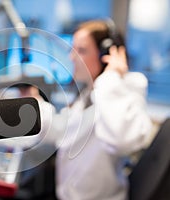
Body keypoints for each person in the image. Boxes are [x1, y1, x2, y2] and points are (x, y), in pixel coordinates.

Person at [55, 20, 153, 200]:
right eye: (72, 48)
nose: (72, 57)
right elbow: (66, 129)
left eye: (81, 50)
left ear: (105, 55)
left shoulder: (124, 87)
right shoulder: (90, 91)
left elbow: (122, 139)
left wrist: (111, 77)